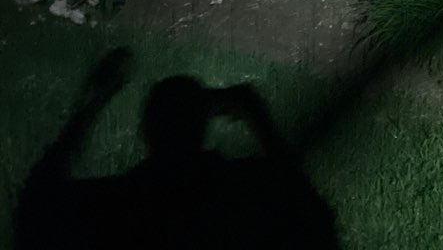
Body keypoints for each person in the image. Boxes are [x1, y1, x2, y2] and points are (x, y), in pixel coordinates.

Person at [15, 48, 338, 250]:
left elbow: (37, 202)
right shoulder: (239, 191)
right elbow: (307, 210)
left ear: (145, 130)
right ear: (204, 126)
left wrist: (92, 102)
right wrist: (257, 117)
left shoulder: (122, 203)